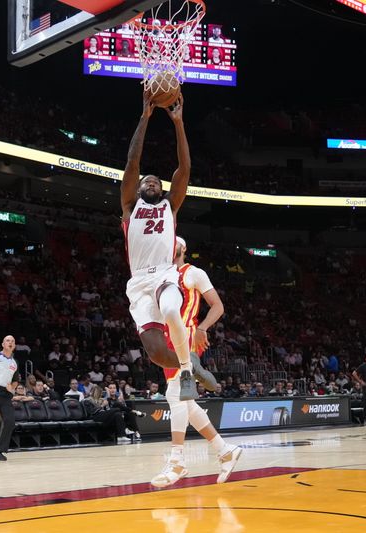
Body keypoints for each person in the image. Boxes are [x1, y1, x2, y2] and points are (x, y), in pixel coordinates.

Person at [120, 88, 216, 402]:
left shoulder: (169, 206)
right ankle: (189, 367)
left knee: (172, 308)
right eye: (146, 181)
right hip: (138, 283)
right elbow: (133, 162)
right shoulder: (129, 206)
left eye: (156, 182)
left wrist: (178, 123)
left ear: (161, 191)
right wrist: (144, 118)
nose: (151, 182)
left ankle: (188, 365)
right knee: (155, 352)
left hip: (163, 275)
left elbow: (184, 170)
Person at [152, 237, 241, 487]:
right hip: (166, 337)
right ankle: (225, 450)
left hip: (187, 336)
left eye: (175, 243)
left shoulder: (194, 273)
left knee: (175, 394)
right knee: (186, 402)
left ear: (183, 249)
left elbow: (218, 306)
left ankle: (177, 460)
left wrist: (202, 328)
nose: (171, 246)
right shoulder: (163, 275)